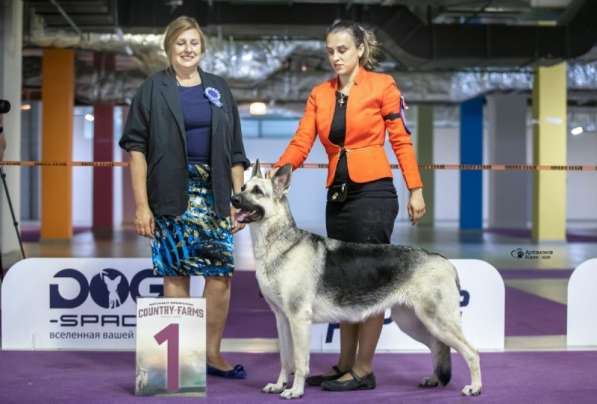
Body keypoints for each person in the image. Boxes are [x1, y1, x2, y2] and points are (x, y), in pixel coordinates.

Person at [272, 20, 426, 391]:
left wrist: (415, 188)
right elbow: (302, 140)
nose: (336, 57)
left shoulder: (382, 86)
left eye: (342, 49)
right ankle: (343, 363)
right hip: (338, 195)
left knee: (371, 280)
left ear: (359, 49)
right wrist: (278, 171)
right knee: (344, 282)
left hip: (373, 193)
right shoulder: (320, 94)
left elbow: (401, 141)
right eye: (330, 51)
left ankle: (364, 368)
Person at [119, 16, 249, 379]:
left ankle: (211, 355)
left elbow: (237, 152)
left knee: (220, 276)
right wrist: (142, 206)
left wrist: (237, 201)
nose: (188, 49)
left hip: (216, 194)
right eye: (181, 43)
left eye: (194, 43)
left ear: (202, 48)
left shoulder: (219, 88)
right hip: (170, 192)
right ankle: (181, 363)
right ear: (169, 48)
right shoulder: (151, 89)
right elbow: (136, 151)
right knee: (176, 274)